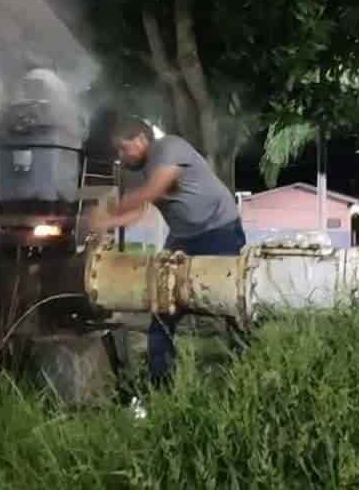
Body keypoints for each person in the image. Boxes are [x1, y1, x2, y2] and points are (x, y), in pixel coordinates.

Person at [88, 117, 245, 386]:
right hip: (183, 238)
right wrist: (106, 224)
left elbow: (156, 188)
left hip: (220, 229)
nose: (120, 156)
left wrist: (113, 209)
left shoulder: (168, 147)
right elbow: (137, 212)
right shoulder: (137, 172)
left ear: (140, 140)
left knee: (230, 302)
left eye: (123, 148)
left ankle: (245, 366)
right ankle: (161, 383)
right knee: (162, 309)